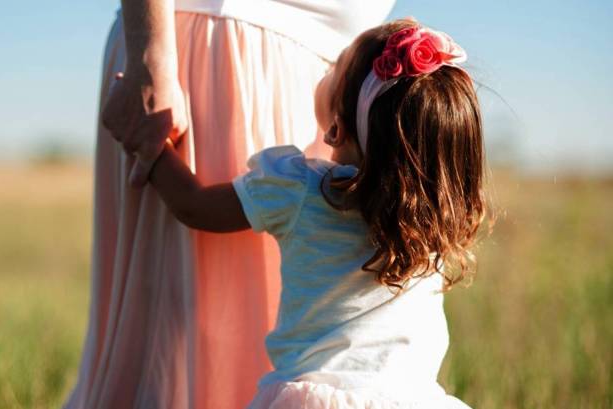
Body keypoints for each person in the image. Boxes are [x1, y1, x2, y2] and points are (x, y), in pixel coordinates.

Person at [106, 19, 485, 408]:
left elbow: (195, 205)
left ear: (336, 129)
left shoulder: (302, 189)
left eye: (334, 66)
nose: (326, 70)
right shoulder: (435, 227)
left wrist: (149, 145)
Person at [65, 1, 396, 408]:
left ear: (336, 129)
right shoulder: (423, 214)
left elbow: (194, 206)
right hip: (210, 63)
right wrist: (150, 56)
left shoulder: (293, 186)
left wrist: (153, 153)